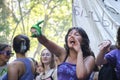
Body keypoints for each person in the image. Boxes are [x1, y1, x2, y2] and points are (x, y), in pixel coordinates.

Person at [31, 26, 95, 80]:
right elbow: (45, 42)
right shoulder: (63, 53)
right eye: (69, 35)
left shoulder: (89, 58)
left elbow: (81, 76)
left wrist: (79, 52)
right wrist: (39, 35)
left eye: (76, 34)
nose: (72, 36)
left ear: (83, 41)